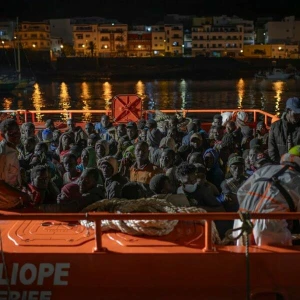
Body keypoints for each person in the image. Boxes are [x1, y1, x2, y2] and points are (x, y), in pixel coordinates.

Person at [233, 152, 300, 246]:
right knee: (277, 260)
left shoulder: (264, 169)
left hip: (242, 222)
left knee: (242, 259)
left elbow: (241, 192)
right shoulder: (297, 179)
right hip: (270, 226)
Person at [0, 119, 31, 209]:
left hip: (15, 198)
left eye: (17, 132)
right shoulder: (3, 155)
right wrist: (23, 195)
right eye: (11, 134)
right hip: (6, 203)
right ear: (3, 135)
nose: (16, 136)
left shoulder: (14, 148)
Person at [268, 97, 300, 163]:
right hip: (279, 167)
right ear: (288, 111)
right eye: (295, 114)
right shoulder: (275, 127)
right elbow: (272, 152)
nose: (298, 117)